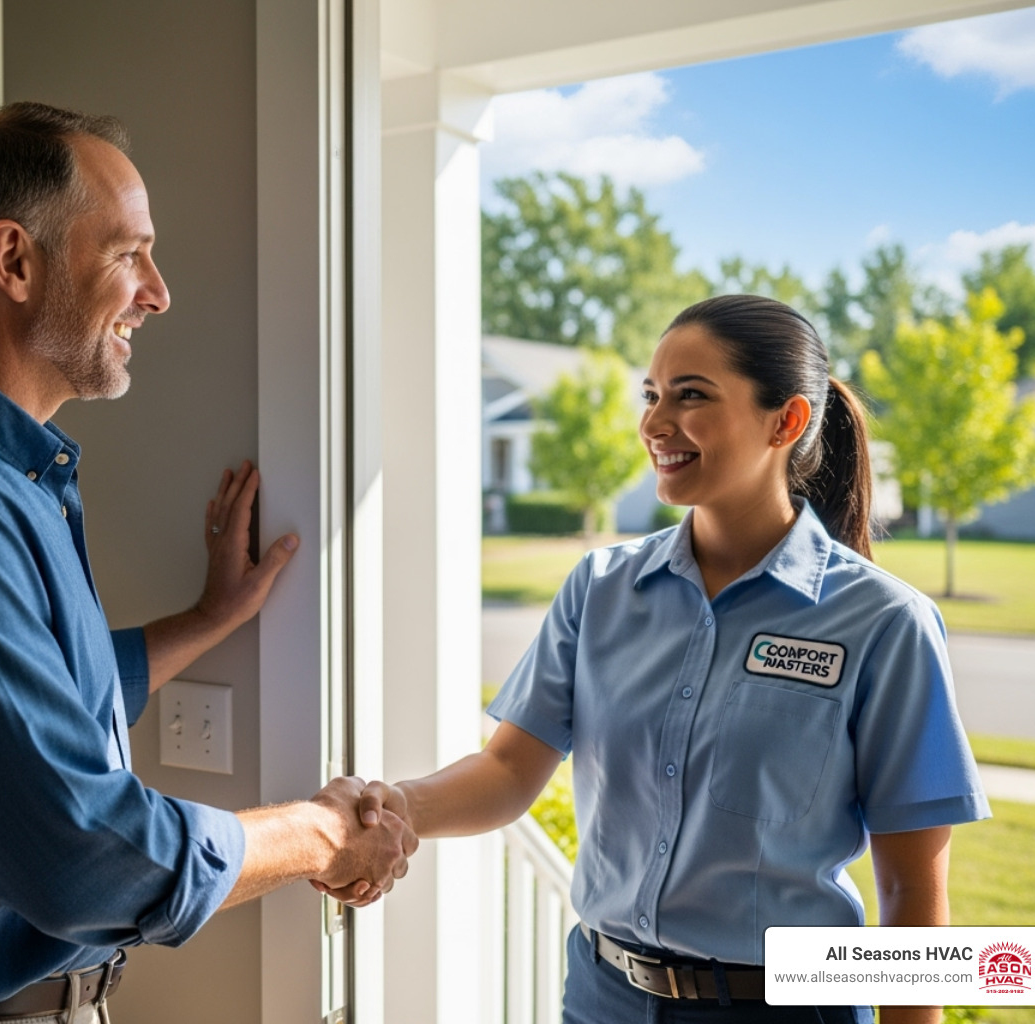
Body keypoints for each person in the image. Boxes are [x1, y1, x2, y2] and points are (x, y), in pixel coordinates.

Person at [0, 102, 414, 1024]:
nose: (158, 292)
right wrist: (319, 835)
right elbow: (78, 851)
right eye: (127, 253)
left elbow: (24, 702)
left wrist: (208, 618)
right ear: (14, 262)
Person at [340, 294, 990, 1022]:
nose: (655, 423)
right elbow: (505, 773)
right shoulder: (601, 589)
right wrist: (393, 809)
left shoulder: (884, 625)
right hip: (602, 997)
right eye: (652, 395)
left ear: (788, 421)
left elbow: (912, 898)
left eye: (692, 395)